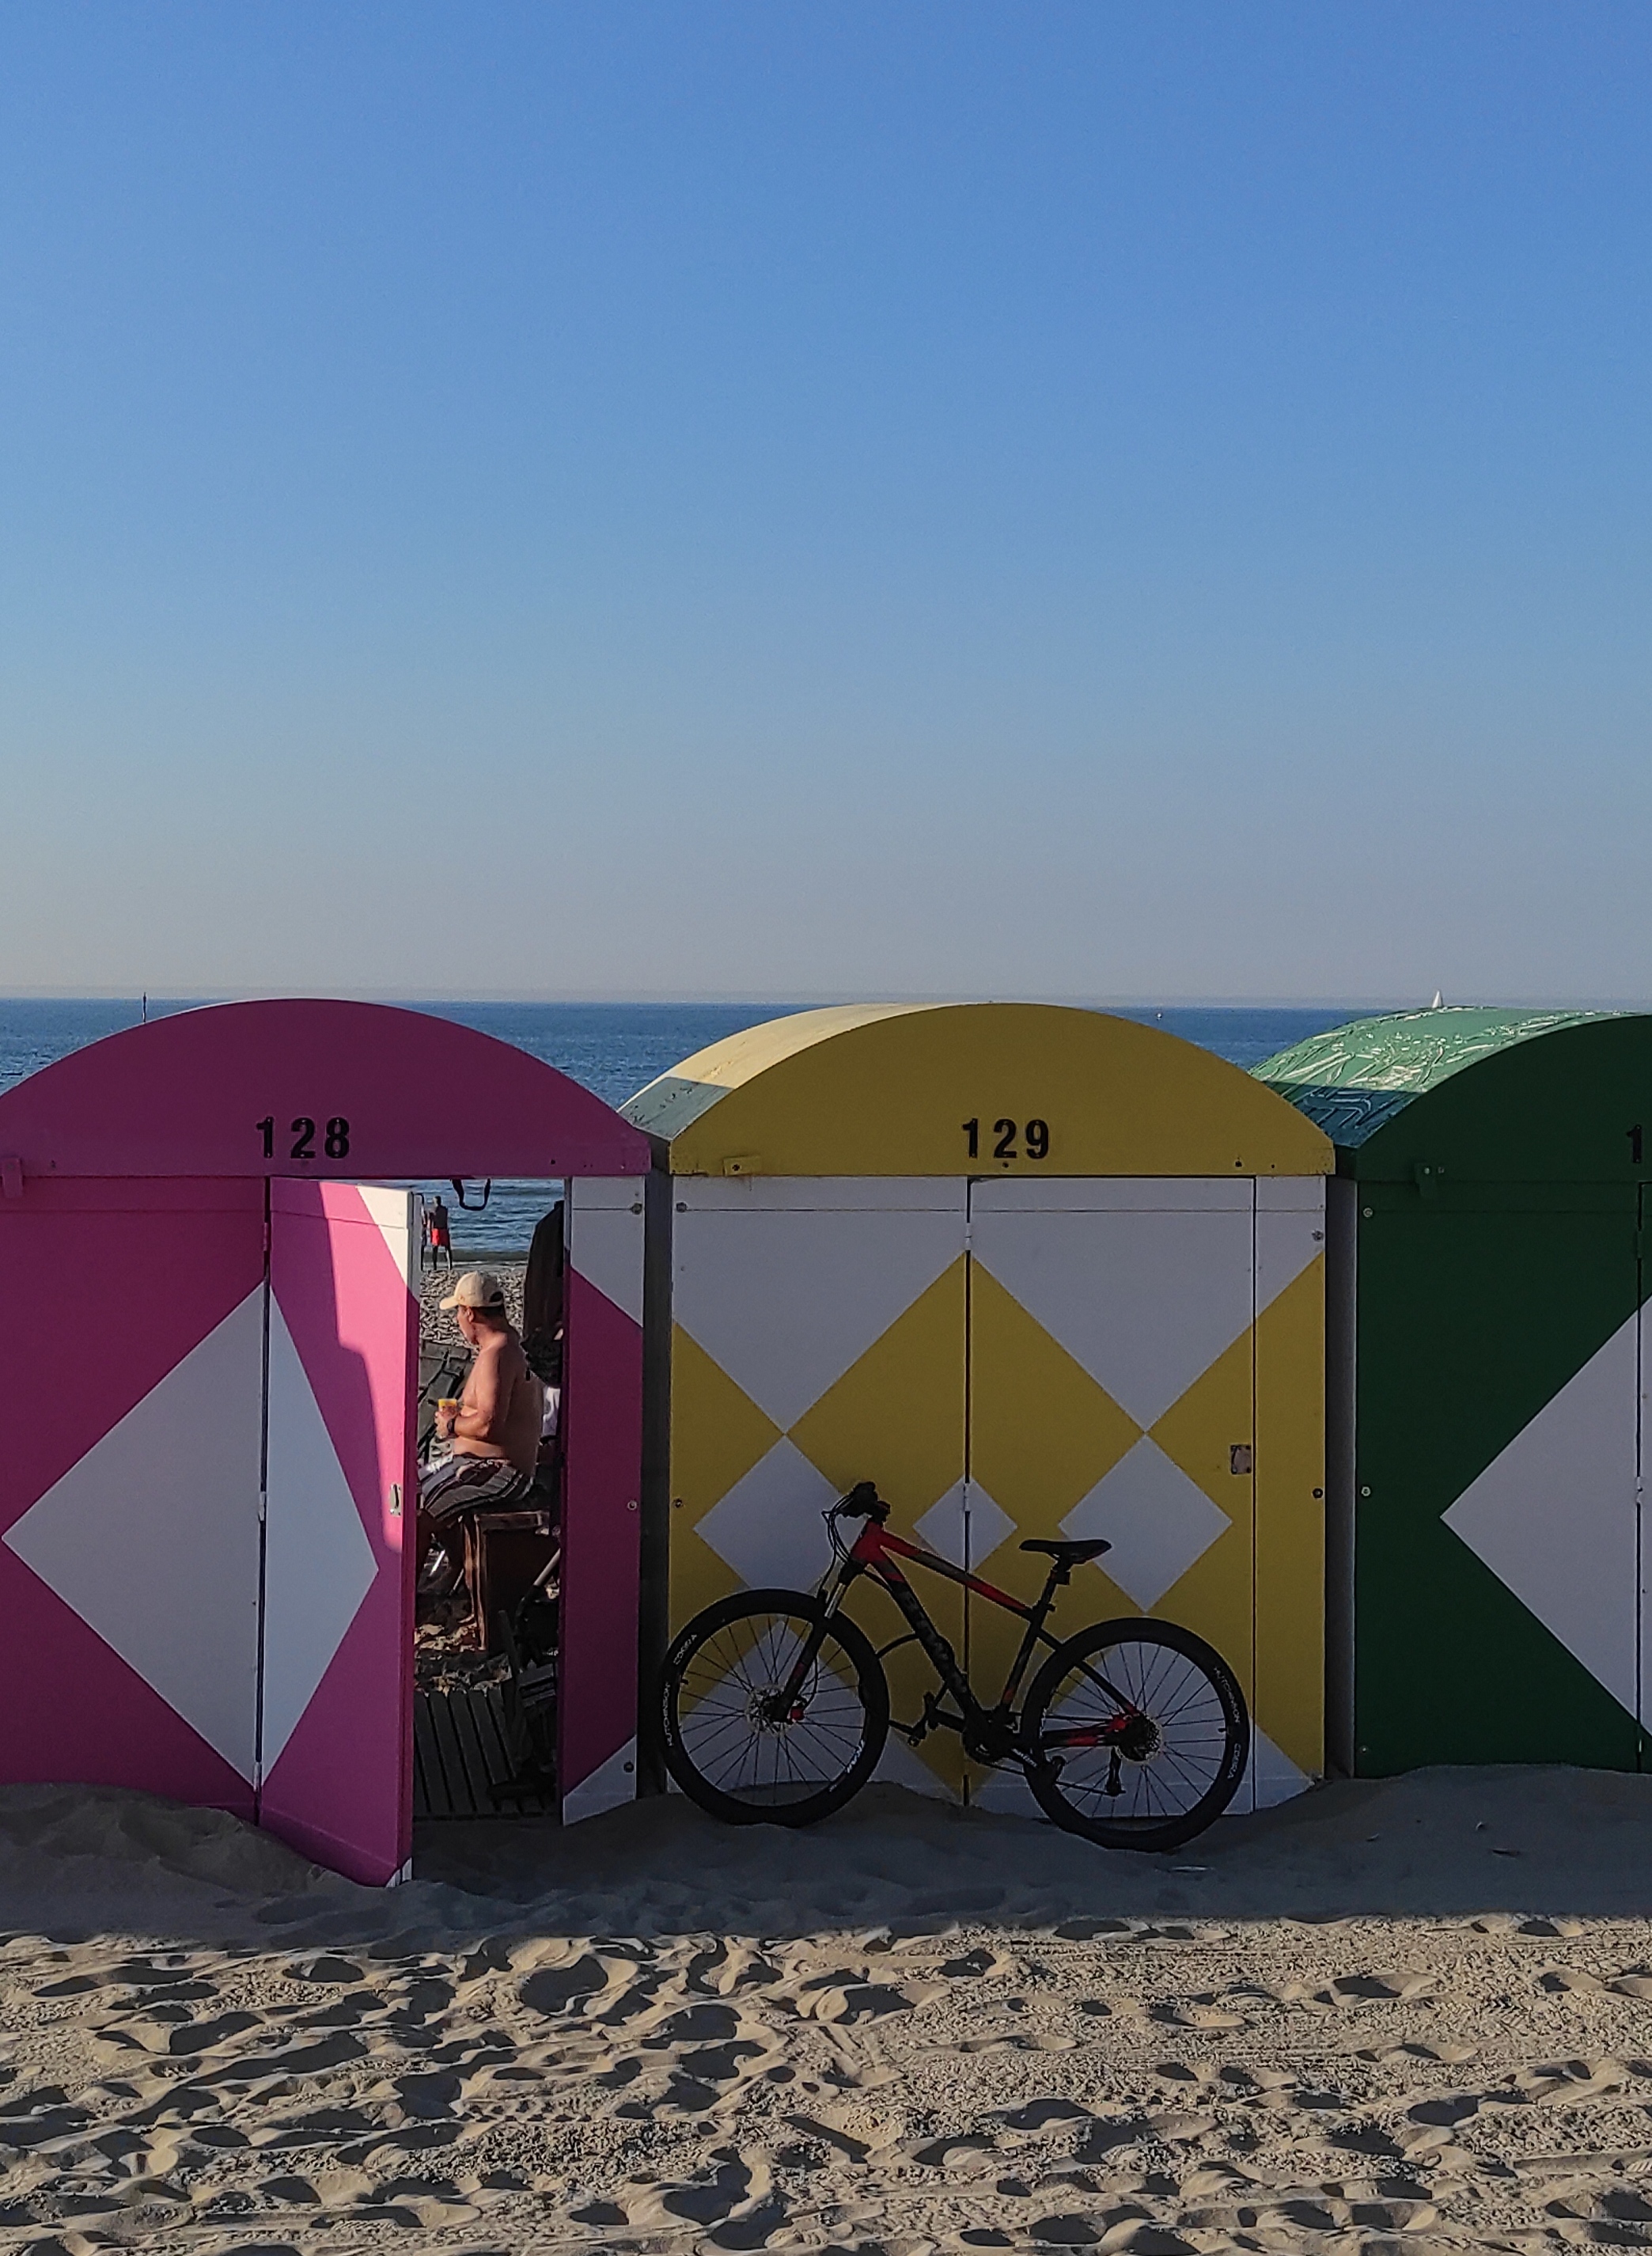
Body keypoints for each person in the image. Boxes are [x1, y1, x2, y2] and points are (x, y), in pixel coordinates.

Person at [419, 1272, 543, 1580]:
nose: (458, 1322)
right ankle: (460, 1570)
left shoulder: (498, 1353)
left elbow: (489, 1426)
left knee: (420, 1515)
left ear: (470, 1313)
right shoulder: (503, 1346)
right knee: (414, 1489)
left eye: (458, 1313)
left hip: (501, 1470)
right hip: (485, 1463)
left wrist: (452, 1425)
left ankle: (405, 1594)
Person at [425, 1193, 454, 1274]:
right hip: (444, 1229)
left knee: (435, 1249)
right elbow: (446, 1221)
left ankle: (435, 1266)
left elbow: (430, 1223)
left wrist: (430, 1233)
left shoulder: (433, 1211)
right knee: (447, 1248)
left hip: (436, 1230)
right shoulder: (445, 1210)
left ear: (435, 1202)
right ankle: (450, 1265)